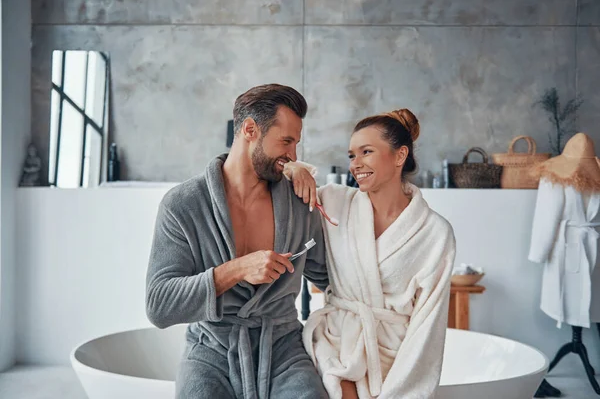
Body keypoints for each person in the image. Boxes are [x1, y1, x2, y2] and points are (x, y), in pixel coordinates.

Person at [146, 84, 329, 399]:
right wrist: (237, 269)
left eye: (296, 144)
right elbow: (159, 305)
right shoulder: (184, 205)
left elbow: (331, 279)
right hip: (211, 350)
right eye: (286, 141)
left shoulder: (300, 202)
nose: (293, 155)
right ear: (249, 130)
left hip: (284, 349)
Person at [284, 109, 456, 399]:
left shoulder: (435, 233)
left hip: (394, 355)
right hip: (334, 342)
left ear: (400, 156)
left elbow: (428, 326)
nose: (355, 164)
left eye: (366, 152)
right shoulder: (335, 202)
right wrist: (295, 169)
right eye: (352, 155)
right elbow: (272, 177)